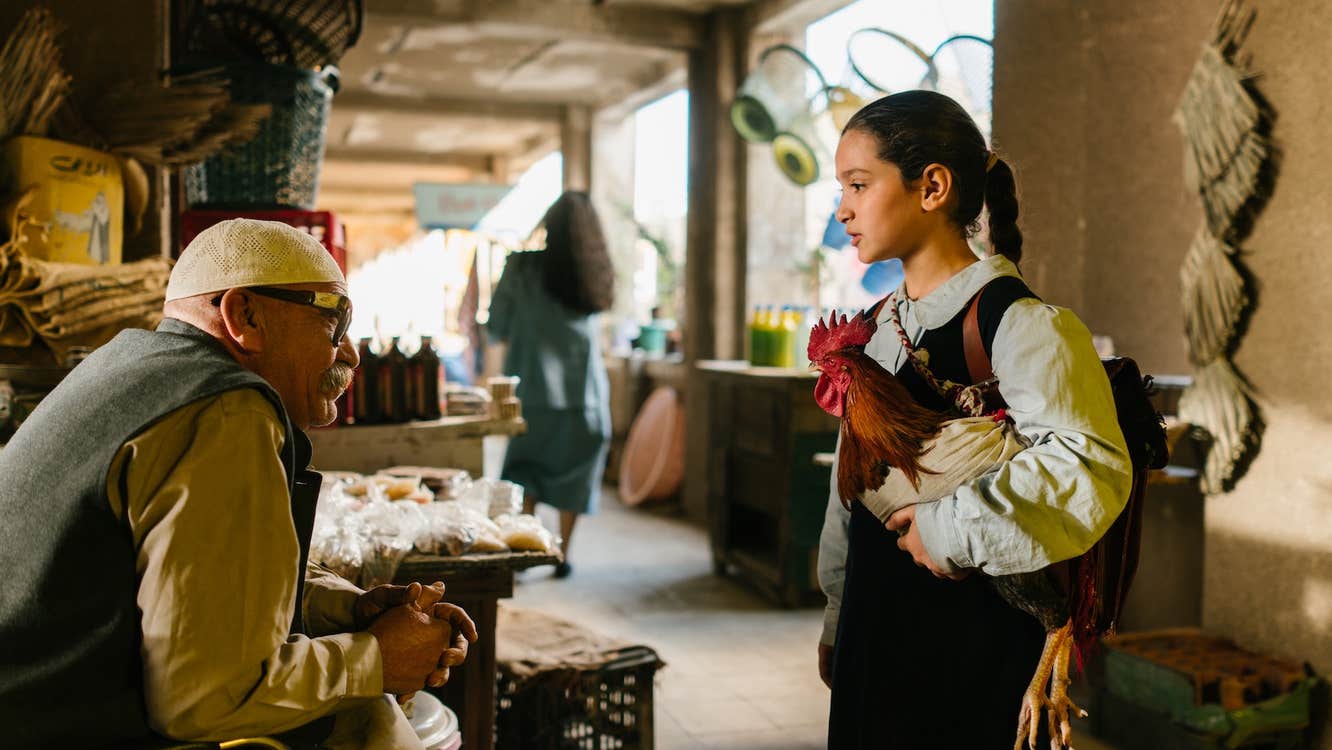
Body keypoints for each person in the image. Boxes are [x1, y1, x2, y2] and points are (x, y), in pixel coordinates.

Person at [0, 218, 477, 749]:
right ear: (244, 315)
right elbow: (203, 698)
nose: (350, 354)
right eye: (333, 323)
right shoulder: (227, 412)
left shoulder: (129, 364)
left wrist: (350, 608)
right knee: (369, 714)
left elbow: (201, 579)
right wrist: (378, 660)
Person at [816, 90, 1133, 748]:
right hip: (876, 633)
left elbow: (1089, 467)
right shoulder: (875, 329)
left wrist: (946, 528)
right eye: (840, 187)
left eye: (858, 184)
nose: (842, 208)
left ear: (932, 186)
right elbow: (848, 498)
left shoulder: (1018, 325)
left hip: (975, 643)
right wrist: (837, 614)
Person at [487, 191, 614, 579]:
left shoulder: (522, 269)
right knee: (576, 477)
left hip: (534, 395)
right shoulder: (594, 274)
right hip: (586, 398)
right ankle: (561, 552)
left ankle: (527, 550)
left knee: (526, 474)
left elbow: (497, 326)